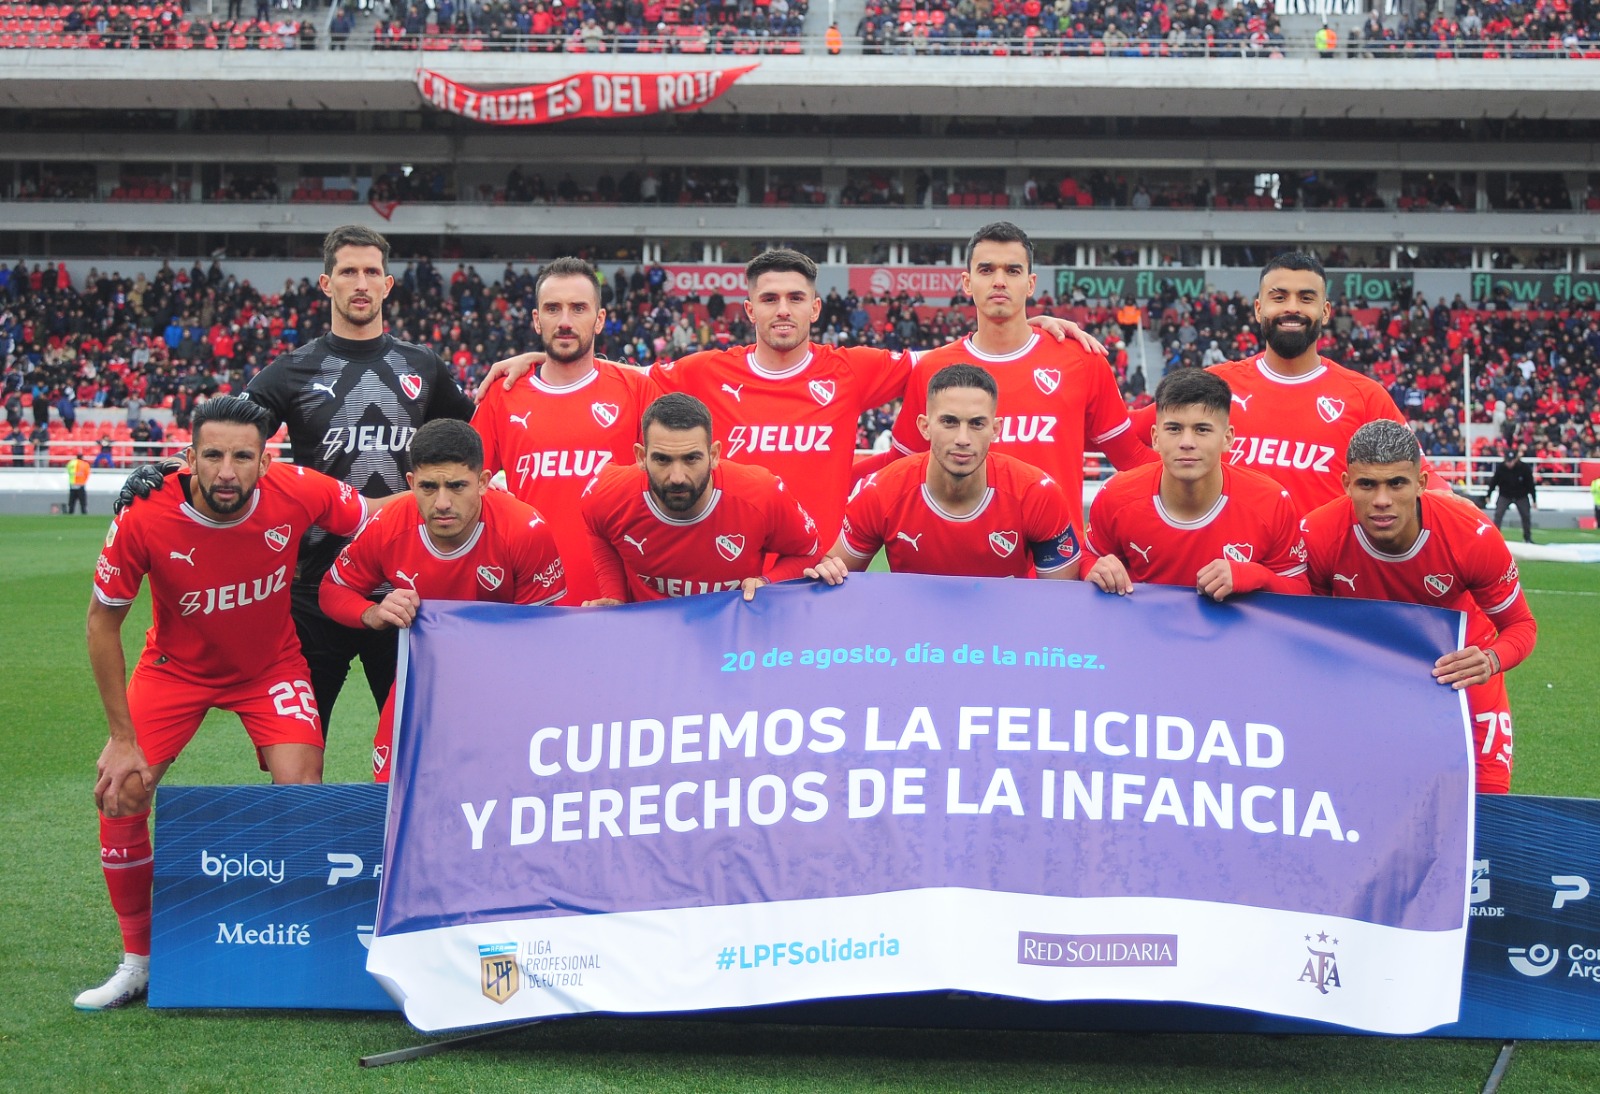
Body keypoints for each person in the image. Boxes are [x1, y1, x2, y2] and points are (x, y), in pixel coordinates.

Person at [482, 248, 1097, 558]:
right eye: (769, 298)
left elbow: (949, 360)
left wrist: (1024, 321)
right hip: (728, 570)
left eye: (795, 298)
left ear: (815, 308)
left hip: (818, 575)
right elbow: (605, 374)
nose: (782, 309)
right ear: (748, 310)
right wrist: (540, 359)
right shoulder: (702, 373)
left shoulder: (851, 370)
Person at [77, 396, 368, 1010]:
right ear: (188, 458)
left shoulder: (299, 489)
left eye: (243, 456)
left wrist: (469, 499)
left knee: (303, 793)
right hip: (174, 670)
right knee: (121, 788)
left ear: (266, 461)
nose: (227, 471)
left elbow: (376, 516)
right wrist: (122, 737)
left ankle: (297, 944)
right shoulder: (144, 515)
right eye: (212, 455)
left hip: (270, 668)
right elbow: (102, 623)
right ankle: (139, 960)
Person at [202, 225, 471, 735]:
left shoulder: (423, 366)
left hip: (405, 587)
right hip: (312, 585)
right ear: (327, 284)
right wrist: (172, 467)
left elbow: (478, 433)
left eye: (372, 272)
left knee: (419, 743)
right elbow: (228, 437)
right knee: (296, 752)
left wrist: (522, 368)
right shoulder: (293, 369)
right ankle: (303, 819)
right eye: (349, 271)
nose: (361, 283)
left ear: (389, 285)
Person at [320, 420, 566, 781]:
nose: (442, 503)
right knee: (393, 788)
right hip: (421, 682)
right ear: (410, 483)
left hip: (505, 684)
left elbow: (544, 636)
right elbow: (332, 589)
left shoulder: (524, 530)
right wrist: (371, 613)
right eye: (428, 487)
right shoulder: (389, 525)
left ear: (483, 482)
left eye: (457, 486)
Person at [1300, 420, 1537, 794]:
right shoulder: (1318, 535)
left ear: (1421, 484)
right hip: (1371, 678)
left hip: (1461, 674)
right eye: (1367, 484)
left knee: (1487, 806)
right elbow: (1300, 626)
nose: (1382, 500)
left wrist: (1489, 660)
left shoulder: (1471, 537)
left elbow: (1521, 626)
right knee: (1366, 802)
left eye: (1397, 483)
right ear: (1346, 484)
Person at [892, 222, 1156, 542]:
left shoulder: (1082, 361)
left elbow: (1133, 461)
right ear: (967, 282)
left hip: (1055, 572)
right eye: (986, 270)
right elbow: (898, 476)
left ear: (1030, 284)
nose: (1000, 281)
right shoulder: (933, 369)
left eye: (1013, 271)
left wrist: (1219, 479)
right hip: (959, 570)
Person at [1128, 251, 1430, 516]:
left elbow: (1424, 478)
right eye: (1279, 296)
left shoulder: (1365, 396)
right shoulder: (1216, 384)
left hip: (1320, 577)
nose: (1292, 307)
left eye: (1306, 298)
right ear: (1259, 308)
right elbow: (1122, 430)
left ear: (1325, 312)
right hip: (1223, 572)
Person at [472, 257, 658, 605]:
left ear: (599, 319)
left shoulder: (636, 390)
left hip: (618, 600)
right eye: (553, 309)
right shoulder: (503, 395)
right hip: (531, 598)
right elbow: (466, 488)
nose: (565, 321)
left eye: (578, 308)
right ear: (536, 319)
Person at [809, 364, 1080, 582]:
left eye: (976, 424)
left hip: (1006, 646)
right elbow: (832, 578)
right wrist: (826, 572)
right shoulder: (881, 493)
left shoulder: (1036, 494)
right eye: (949, 422)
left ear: (995, 430)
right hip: (918, 647)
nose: (963, 438)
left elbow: (1060, 606)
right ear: (925, 426)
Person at [1085, 368, 1308, 600]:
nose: (1187, 442)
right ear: (1155, 437)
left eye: (1202, 430)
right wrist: (1097, 569)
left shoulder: (1270, 502)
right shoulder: (1117, 495)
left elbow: (1300, 590)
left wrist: (1256, 576)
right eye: (1174, 429)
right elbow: (1087, 558)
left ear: (1227, 438)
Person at [581, 393, 820, 604]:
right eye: (662, 460)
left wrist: (769, 582)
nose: (677, 477)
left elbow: (808, 552)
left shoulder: (760, 494)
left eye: (691, 459)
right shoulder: (608, 495)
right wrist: (614, 596)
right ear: (641, 457)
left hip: (730, 643)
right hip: (651, 640)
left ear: (713, 455)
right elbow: (598, 529)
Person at [1483, 448, 1537, 544]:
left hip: (1521, 495)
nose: (1509, 463)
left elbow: (1530, 485)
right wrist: (1488, 495)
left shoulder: (1524, 468)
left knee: (1526, 515)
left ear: (1516, 459)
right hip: (1505, 495)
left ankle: (1527, 537)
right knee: (1498, 515)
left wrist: (1534, 500)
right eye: (1507, 461)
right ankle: (1495, 538)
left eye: (1511, 461)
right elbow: (1494, 482)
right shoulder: (1501, 468)